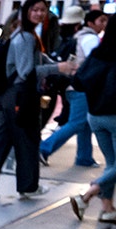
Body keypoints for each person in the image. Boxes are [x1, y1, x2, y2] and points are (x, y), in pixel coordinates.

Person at [0, 0, 76, 199]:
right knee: (28, 140)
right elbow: (27, 72)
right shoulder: (27, 37)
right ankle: (28, 186)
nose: (39, 13)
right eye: (34, 10)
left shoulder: (19, 34)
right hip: (20, 95)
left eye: (42, 10)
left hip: (4, 95)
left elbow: (35, 59)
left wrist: (56, 65)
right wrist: (59, 68)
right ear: (26, 11)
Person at [39, 7, 103, 167]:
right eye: (101, 20)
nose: (104, 24)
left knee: (84, 123)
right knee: (78, 122)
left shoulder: (76, 37)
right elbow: (96, 64)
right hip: (82, 88)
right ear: (89, 23)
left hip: (71, 86)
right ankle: (44, 148)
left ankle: (84, 157)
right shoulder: (91, 39)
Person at [69, 19, 116, 224]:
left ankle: (107, 209)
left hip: (95, 115)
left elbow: (78, 82)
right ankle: (88, 194)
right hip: (114, 116)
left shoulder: (97, 53)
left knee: (112, 164)